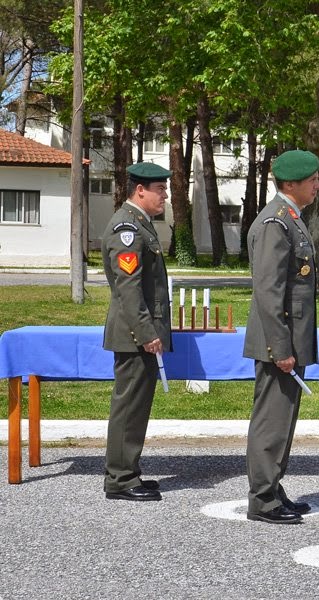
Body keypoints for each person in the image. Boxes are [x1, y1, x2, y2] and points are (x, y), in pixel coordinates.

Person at [243, 150, 319, 524]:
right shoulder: (276, 222)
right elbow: (269, 291)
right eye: (312, 180)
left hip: (290, 337)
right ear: (291, 184)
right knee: (272, 419)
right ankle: (262, 498)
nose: (318, 186)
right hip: (280, 340)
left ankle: (273, 486)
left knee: (284, 418)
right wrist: (280, 346)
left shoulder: (290, 218)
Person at [102, 162, 173, 501]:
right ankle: (119, 479)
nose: (165, 196)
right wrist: (147, 333)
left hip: (139, 333)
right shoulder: (127, 228)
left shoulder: (140, 224)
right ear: (139, 190)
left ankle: (128, 471)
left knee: (136, 406)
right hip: (134, 335)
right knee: (128, 407)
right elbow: (128, 289)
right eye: (160, 190)